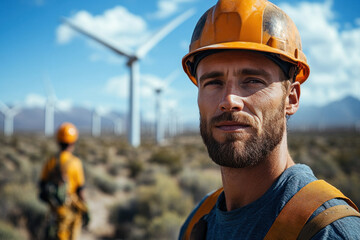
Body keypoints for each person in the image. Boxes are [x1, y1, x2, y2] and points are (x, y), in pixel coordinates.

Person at [178, 0, 360, 239]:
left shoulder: (326, 230)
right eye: (213, 82)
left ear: (291, 98)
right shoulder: (197, 224)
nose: (229, 99)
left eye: (253, 80)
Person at [39, 122, 89, 240]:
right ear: (73, 142)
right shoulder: (76, 162)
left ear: (58, 141)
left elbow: (42, 184)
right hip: (70, 209)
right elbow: (80, 190)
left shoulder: (51, 161)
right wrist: (86, 208)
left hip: (54, 209)